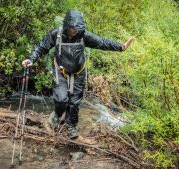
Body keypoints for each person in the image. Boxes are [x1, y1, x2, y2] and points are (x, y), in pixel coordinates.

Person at [22, 10, 134, 141]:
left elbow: (102, 42)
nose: (75, 31)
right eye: (72, 28)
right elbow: (41, 47)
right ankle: (57, 115)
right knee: (61, 99)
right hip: (60, 72)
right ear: (66, 26)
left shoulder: (84, 36)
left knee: (74, 103)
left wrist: (121, 47)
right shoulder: (56, 34)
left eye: (77, 28)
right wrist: (31, 59)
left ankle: (71, 127)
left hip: (79, 73)